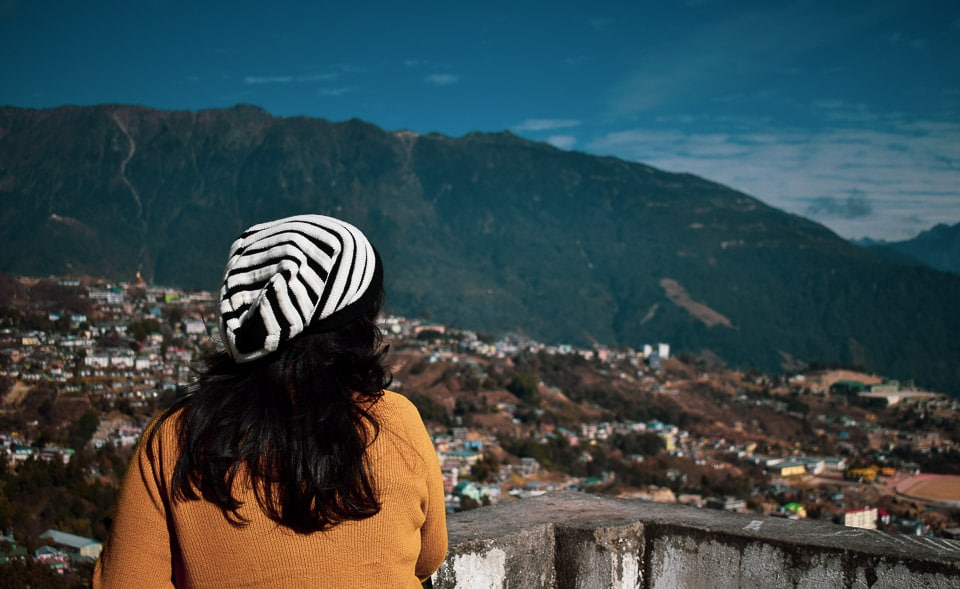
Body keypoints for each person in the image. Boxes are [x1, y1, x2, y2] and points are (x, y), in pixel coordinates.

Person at [93, 214, 448, 588]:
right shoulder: (395, 420)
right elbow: (429, 554)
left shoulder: (174, 440)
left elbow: (124, 581)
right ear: (357, 325)